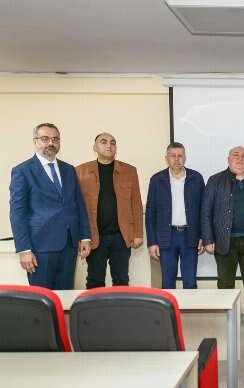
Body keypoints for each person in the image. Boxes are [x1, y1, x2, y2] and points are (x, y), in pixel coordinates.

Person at [9, 122, 91, 289]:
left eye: (55, 139)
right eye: (45, 138)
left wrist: (85, 237)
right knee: (42, 297)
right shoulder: (23, 171)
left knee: (65, 295)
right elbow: (17, 213)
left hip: (69, 245)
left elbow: (79, 204)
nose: (51, 143)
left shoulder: (69, 170)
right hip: (40, 247)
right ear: (35, 141)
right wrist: (24, 249)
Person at [202, 146, 244, 331]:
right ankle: (227, 318)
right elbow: (206, 212)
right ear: (228, 159)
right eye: (236, 155)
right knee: (225, 283)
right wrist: (208, 239)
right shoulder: (215, 180)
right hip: (225, 241)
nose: (240, 158)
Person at [75, 133, 144, 288]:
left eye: (113, 143)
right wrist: (80, 237)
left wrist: (138, 233)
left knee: (121, 280)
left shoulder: (129, 171)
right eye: (104, 142)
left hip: (121, 237)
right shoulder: (80, 171)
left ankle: (119, 305)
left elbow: (136, 204)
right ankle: (94, 305)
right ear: (94, 147)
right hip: (94, 237)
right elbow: (76, 207)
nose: (109, 145)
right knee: (94, 280)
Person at [145, 142, 205, 289]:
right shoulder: (157, 180)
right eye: (173, 156)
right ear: (166, 158)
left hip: (190, 236)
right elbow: (150, 213)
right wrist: (152, 242)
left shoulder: (196, 178)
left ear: (185, 158)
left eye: (180, 156)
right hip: (166, 237)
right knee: (167, 282)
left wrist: (203, 236)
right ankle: (169, 306)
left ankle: (189, 305)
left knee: (190, 282)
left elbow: (204, 210)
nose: (176, 159)